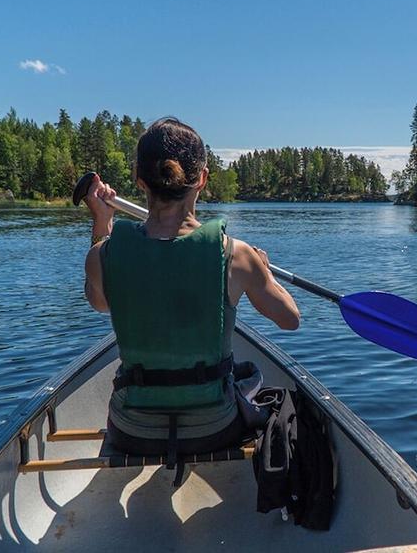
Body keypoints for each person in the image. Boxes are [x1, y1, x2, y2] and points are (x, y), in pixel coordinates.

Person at [82, 117, 300, 461]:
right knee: (253, 379)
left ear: (140, 181)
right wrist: (263, 271)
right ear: (201, 178)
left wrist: (101, 225)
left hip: (132, 430)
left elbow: (99, 303)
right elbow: (290, 319)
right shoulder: (236, 255)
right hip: (213, 428)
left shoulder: (102, 255)